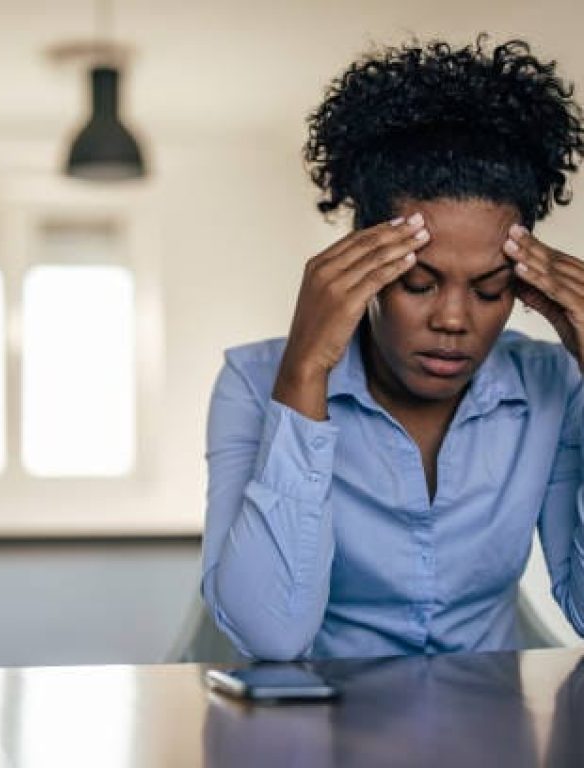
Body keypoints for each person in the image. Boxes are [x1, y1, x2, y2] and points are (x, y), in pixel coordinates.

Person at [201, 36, 584, 660]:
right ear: (366, 266)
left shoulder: (553, 383)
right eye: (418, 283)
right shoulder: (253, 378)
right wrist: (305, 371)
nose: (454, 319)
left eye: (490, 290)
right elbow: (271, 636)